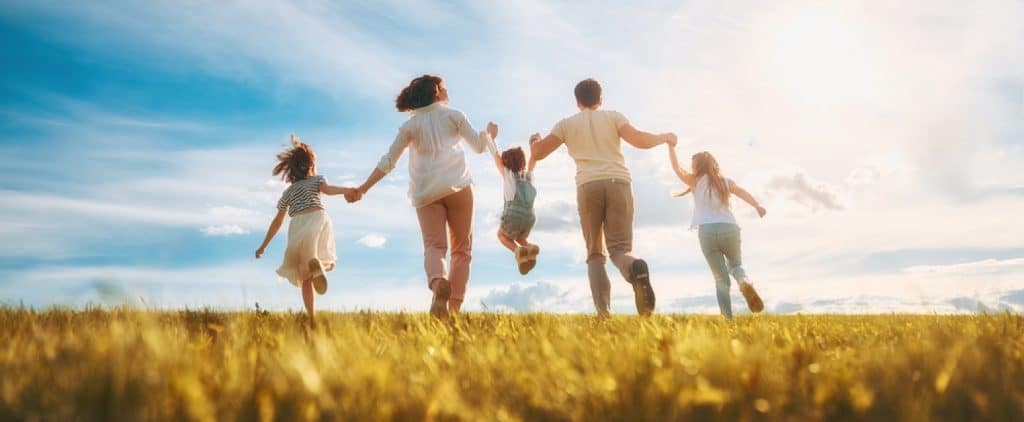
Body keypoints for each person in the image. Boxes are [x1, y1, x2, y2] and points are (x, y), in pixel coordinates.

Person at [348, 74, 498, 319]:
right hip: (459, 187)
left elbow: (388, 162)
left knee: (434, 246)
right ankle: (454, 310)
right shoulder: (454, 115)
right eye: (445, 88)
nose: (448, 91)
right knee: (462, 250)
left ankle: (438, 283)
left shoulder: (410, 126)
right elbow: (480, 148)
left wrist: (363, 188)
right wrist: (489, 134)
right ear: (437, 91)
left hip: (426, 192)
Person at [530, 78, 676, 317]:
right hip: (619, 183)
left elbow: (539, 153)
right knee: (620, 250)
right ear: (601, 99)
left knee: (595, 253)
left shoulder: (566, 124)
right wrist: (664, 137)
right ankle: (634, 268)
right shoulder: (614, 117)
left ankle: (604, 313)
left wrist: (534, 141)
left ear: (577, 102)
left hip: (588, 187)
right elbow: (639, 139)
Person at [255, 134, 358, 325]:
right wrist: (348, 190)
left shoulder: (288, 192)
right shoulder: (318, 180)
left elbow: (277, 221)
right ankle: (317, 265)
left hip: (297, 228)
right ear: (311, 165)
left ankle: (311, 317)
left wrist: (263, 246)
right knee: (327, 260)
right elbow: (329, 190)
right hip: (318, 220)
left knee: (304, 278)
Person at [667, 147, 766, 318]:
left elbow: (676, 168)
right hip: (729, 228)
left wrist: (670, 146)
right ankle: (744, 282)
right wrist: (757, 205)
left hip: (707, 233)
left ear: (696, 167)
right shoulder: (725, 182)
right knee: (735, 266)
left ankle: (727, 320)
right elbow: (742, 192)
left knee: (721, 279)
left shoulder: (694, 181)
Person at [489, 135, 541, 274]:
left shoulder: (508, 175)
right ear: (522, 164)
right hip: (530, 217)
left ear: (506, 165)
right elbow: (533, 161)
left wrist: (490, 138)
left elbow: (496, 157)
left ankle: (517, 251)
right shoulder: (528, 177)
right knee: (519, 237)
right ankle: (529, 247)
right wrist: (534, 144)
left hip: (513, 215)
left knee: (501, 235)